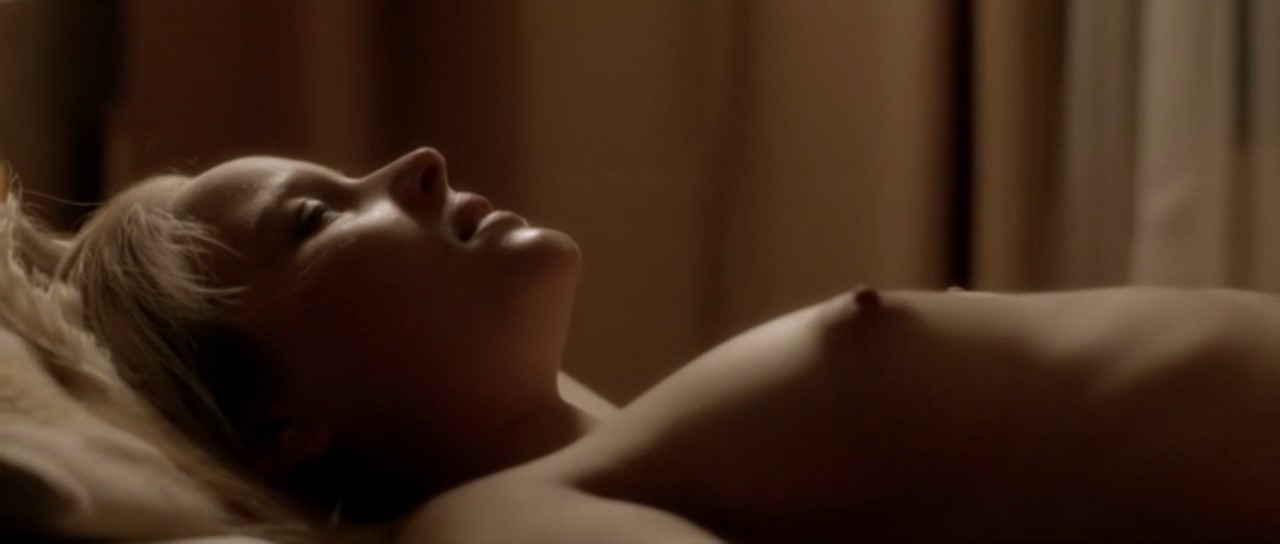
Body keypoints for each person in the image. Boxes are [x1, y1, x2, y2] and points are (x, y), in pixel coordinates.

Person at [33, 147, 1280, 541]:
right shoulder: (492, 520)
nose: (415, 164)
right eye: (314, 218)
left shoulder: (621, 441)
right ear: (280, 425)